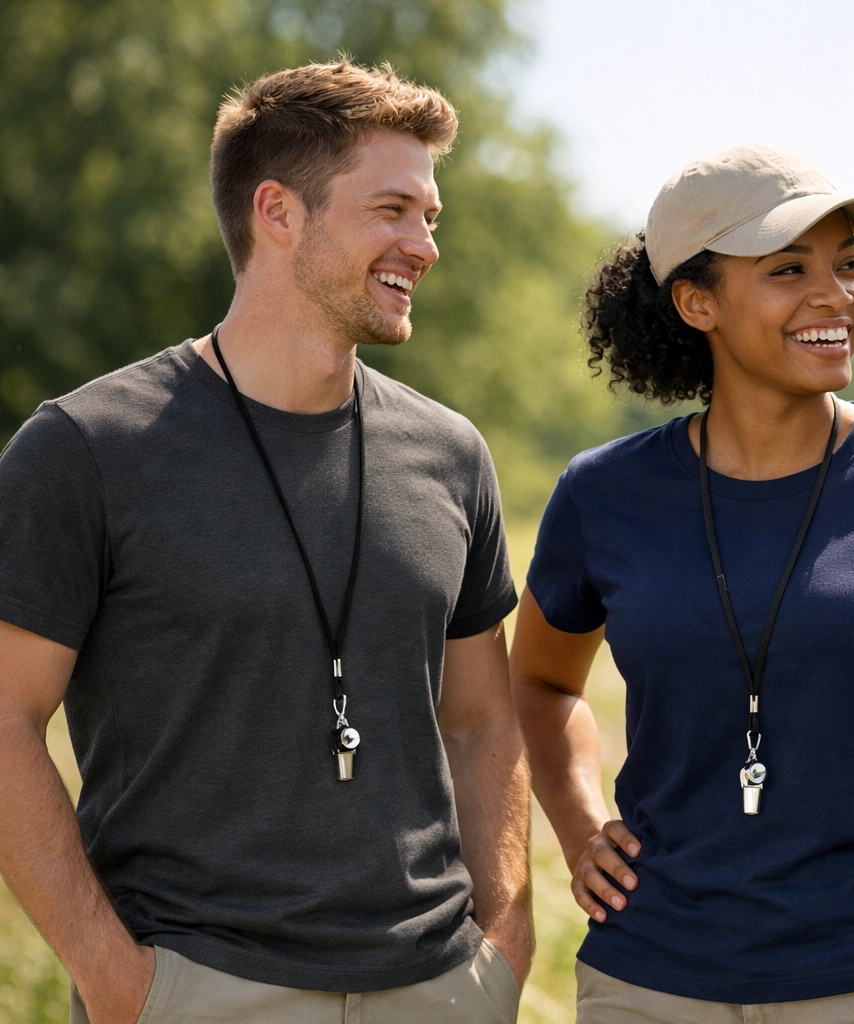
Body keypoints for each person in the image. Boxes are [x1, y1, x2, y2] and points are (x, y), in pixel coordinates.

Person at [0, 61, 531, 1024]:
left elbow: (484, 721)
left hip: (437, 988)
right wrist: (120, 985)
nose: (425, 245)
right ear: (278, 213)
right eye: (392, 210)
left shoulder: (451, 455)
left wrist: (504, 952)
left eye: (431, 217)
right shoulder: (85, 449)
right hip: (195, 989)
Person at [510, 143, 854, 1022]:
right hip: (651, 979)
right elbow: (541, 683)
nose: (835, 295)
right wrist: (582, 827)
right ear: (697, 302)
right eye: (789, 269)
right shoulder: (603, 496)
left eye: (849, 264)